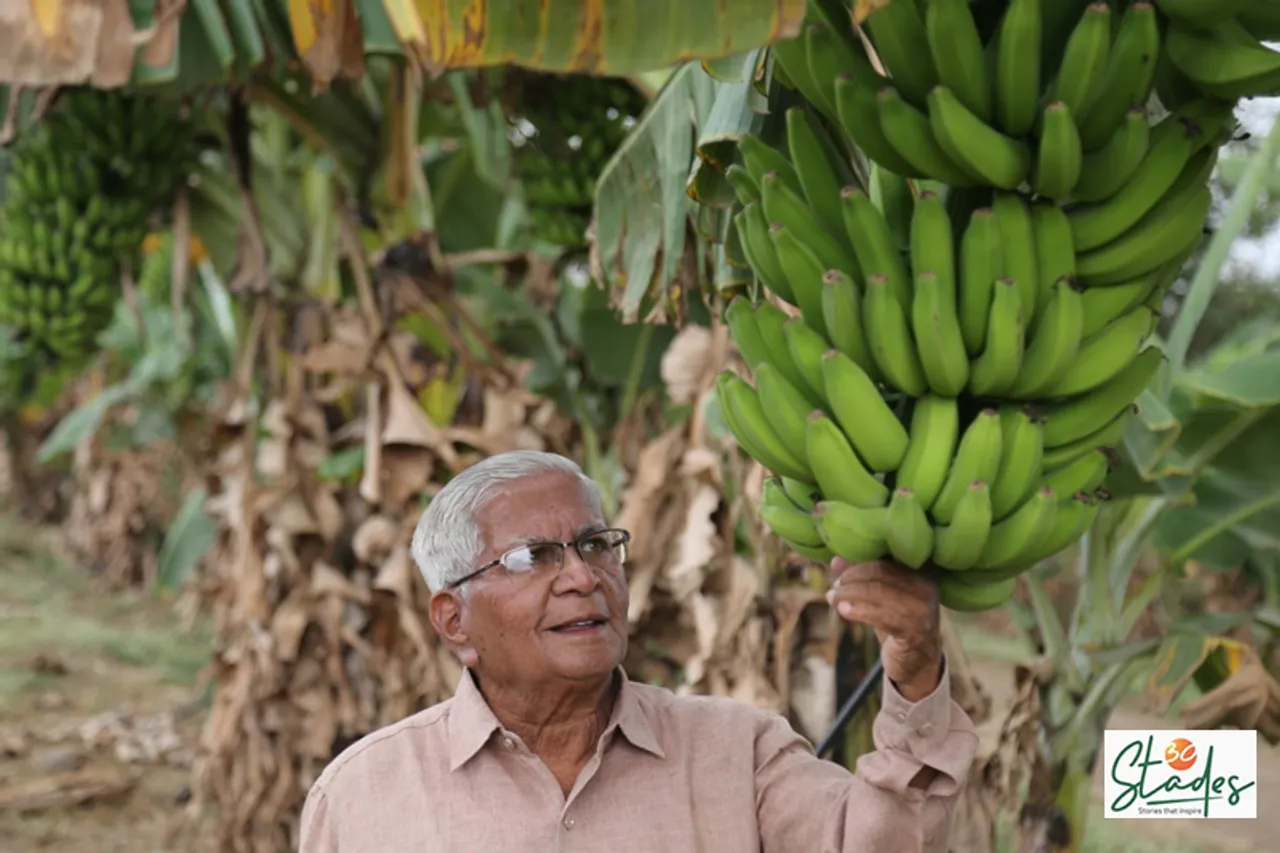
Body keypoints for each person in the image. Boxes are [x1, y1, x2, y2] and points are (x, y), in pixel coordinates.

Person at [299, 450, 977, 852]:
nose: (581, 576)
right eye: (533, 555)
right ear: (453, 619)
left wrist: (913, 672)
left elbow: (886, 842)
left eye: (596, 545)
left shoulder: (737, 753)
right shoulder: (366, 795)